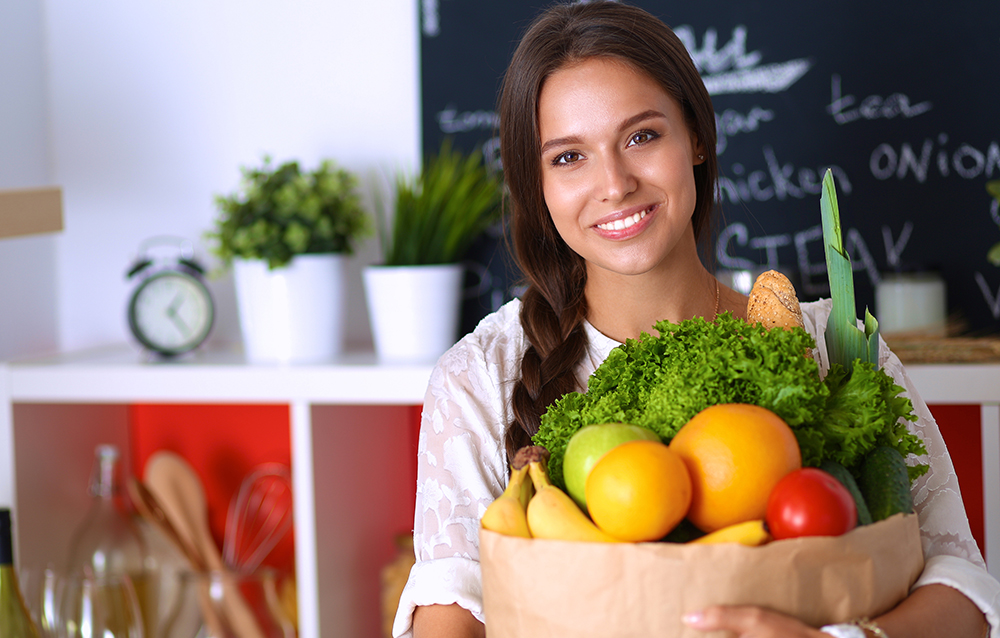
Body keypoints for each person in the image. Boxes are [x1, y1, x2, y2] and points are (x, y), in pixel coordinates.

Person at [391, 2, 1000, 637]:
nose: (616, 183)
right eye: (568, 157)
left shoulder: (833, 348)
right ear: (536, 186)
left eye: (641, 136)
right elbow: (451, 614)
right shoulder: (481, 378)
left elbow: (961, 588)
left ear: (697, 139)